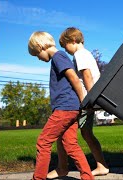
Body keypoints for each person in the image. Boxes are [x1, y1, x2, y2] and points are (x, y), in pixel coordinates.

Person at [28, 31, 93, 180]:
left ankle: (38, 178)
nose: (38, 58)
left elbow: (75, 79)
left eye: (36, 54)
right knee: (70, 144)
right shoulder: (60, 58)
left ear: (40, 46)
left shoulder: (58, 57)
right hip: (71, 109)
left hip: (65, 108)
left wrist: (83, 101)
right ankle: (87, 177)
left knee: (43, 141)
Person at [47, 27, 109, 179]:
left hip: (85, 101)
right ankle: (101, 165)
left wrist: (89, 100)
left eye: (65, 46)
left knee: (63, 133)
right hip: (88, 101)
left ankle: (62, 168)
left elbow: (87, 76)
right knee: (87, 133)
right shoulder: (86, 54)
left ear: (72, 41)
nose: (65, 50)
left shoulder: (80, 54)